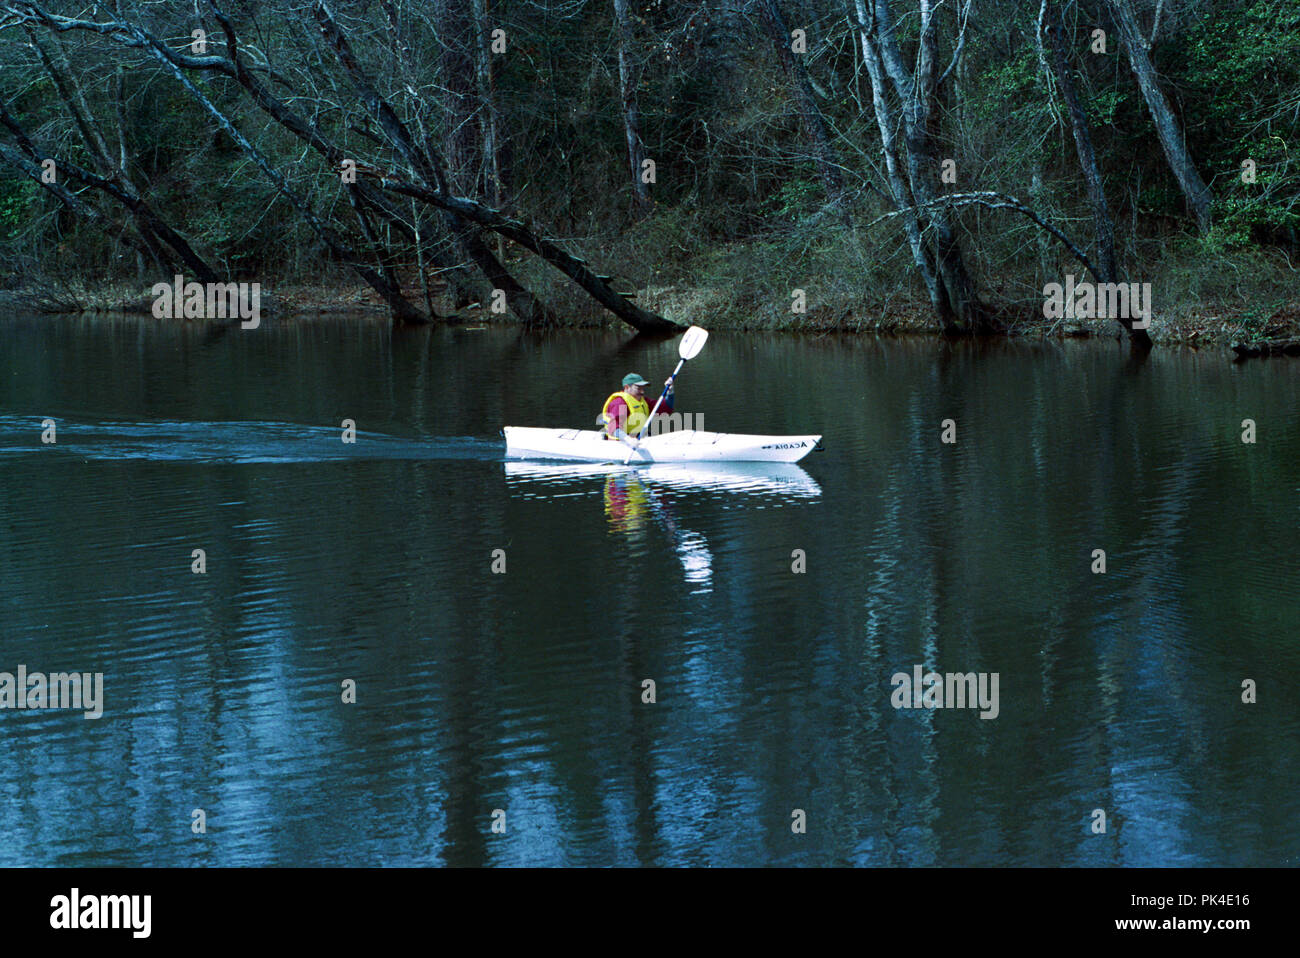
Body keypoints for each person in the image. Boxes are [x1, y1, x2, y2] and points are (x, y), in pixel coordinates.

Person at [597, 373, 674, 444]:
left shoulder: (643, 401)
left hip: (638, 439)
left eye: (643, 388)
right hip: (620, 442)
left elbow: (666, 408)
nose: (642, 392)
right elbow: (613, 427)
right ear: (627, 387)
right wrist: (628, 439)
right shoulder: (619, 403)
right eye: (638, 388)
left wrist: (670, 392)